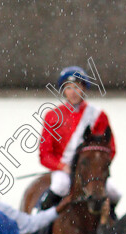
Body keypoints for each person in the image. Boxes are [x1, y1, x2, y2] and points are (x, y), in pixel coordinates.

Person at [38, 65, 120, 211]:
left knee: (115, 193)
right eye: (69, 88)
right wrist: (62, 166)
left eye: (77, 87)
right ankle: (40, 223)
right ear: (63, 90)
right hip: (64, 170)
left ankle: (110, 226)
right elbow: (45, 154)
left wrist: (97, 168)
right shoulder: (52, 116)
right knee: (60, 186)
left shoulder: (98, 115)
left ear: (84, 89)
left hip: (91, 171)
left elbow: (110, 149)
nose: (73, 92)